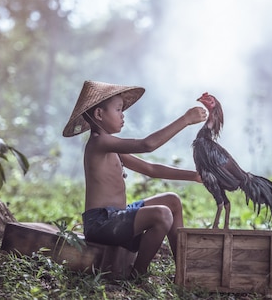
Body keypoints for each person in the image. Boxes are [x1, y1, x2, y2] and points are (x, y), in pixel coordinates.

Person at [62, 80, 207, 278]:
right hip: (101, 222)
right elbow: (147, 145)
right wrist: (185, 119)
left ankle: (183, 268)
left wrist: (193, 176)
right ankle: (137, 274)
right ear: (99, 114)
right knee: (162, 214)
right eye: (119, 109)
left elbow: (150, 169)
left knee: (171, 200)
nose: (123, 115)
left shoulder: (111, 147)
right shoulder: (99, 142)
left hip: (118, 215)